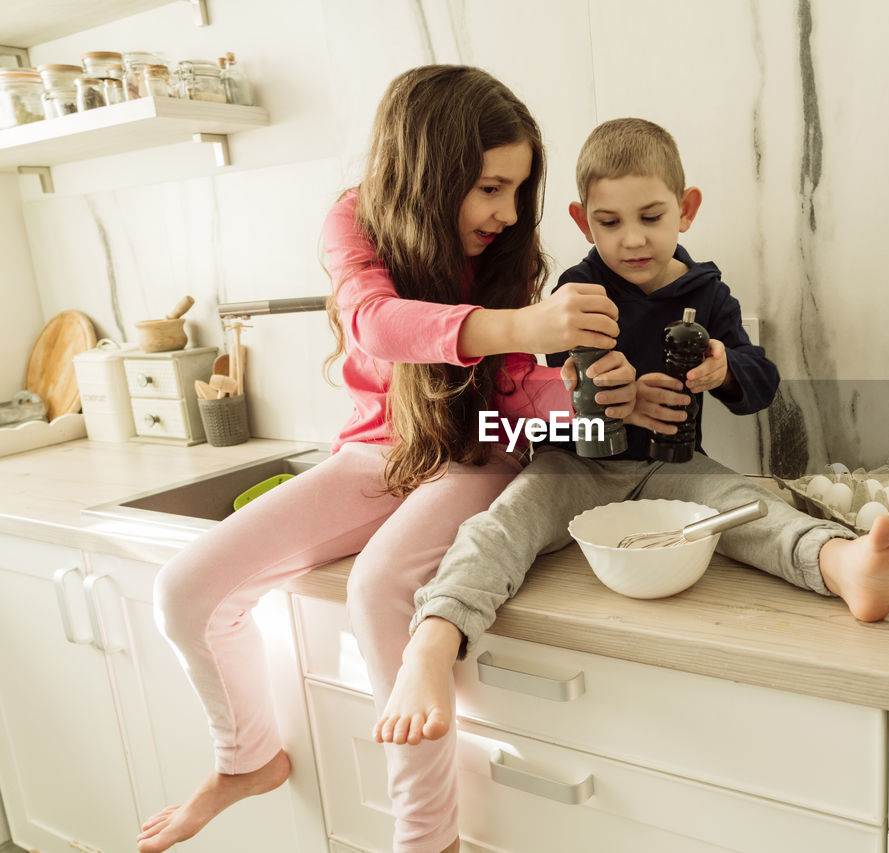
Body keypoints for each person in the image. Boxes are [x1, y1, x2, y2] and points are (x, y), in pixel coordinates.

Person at [137, 66, 636, 853]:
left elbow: (518, 386)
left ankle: (425, 839)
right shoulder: (355, 219)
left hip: (480, 452)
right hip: (382, 449)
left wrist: (585, 390)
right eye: (489, 188)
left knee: (380, 589)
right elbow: (374, 323)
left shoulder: (506, 248)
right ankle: (247, 759)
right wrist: (523, 327)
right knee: (187, 591)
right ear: (432, 172)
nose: (508, 214)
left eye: (517, 190)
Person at [374, 117, 889, 747]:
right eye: (609, 223)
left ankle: (844, 565)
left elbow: (762, 380)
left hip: (673, 467)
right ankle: (433, 641)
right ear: (583, 221)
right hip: (575, 466)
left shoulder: (708, 292)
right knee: (498, 529)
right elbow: (548, 385)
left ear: (686, 210)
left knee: (752, 509)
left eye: (651, 216)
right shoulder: (577, 291)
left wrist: (724, 367)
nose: (632, 239)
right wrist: (599, 385)